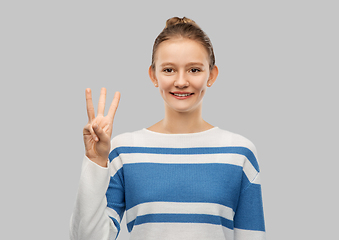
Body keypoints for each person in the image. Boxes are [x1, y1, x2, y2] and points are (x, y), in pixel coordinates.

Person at [70, 17, 266, 240]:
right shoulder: (123, 151)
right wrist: (95, 162)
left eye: (194, 70)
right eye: (169, 70)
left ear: (211, 75)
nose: (181, 81)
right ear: (153, 75)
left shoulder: (239, 153)